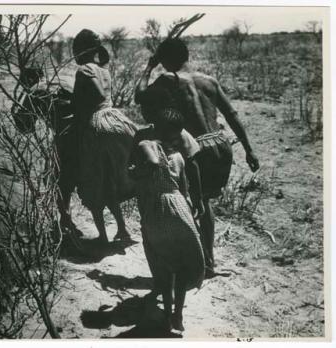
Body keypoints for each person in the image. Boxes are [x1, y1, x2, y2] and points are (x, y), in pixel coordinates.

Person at [135, 37, 259, 277]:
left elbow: (139, 96)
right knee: (205, 202)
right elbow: (231, 115)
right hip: (220, 146)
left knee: (190, 201)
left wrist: (149, 67)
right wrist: (249, 148)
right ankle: (208, 261)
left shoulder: (166, 81)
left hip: (195, 148)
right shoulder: (208, 81)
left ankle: (194, 261)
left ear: (165, 60)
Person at [129, 107, 205, 334]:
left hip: (157, 210)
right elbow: (184, 189)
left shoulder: (145, 145)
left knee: (162, 263)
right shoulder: (179, 157)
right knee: (182, 265)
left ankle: (166, 314)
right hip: (180, 208)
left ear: (154, 126)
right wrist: (192, 208)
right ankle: (178, 314)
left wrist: (136, 173)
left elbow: (152, 163)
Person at [72, 29, 138, 243]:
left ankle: (102, 236)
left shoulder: (83, 71)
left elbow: (78, 103)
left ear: (80, 50)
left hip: (96, 126)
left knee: (93, 181)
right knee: (111, 180)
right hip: (117, 120)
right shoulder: (104, 71)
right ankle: (122, 229)